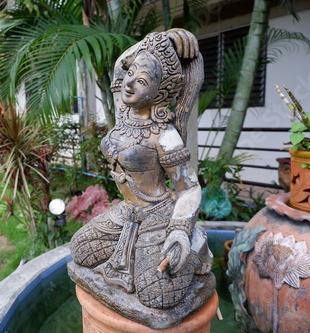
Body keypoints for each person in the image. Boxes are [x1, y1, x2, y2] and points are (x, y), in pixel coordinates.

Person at [70, 29, 212, 309]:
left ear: (159, 93)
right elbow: (119, 66)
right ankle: (139, 255)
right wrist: (160, 39)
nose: (130, 83)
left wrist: (179, 231)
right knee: (80, 250)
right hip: (127, 211)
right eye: (132, 73)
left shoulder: (164, 134)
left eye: (142, 81)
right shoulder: (123, 112)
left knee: (157, 296)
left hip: (158, 215)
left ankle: (194, 248)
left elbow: (189, 188)